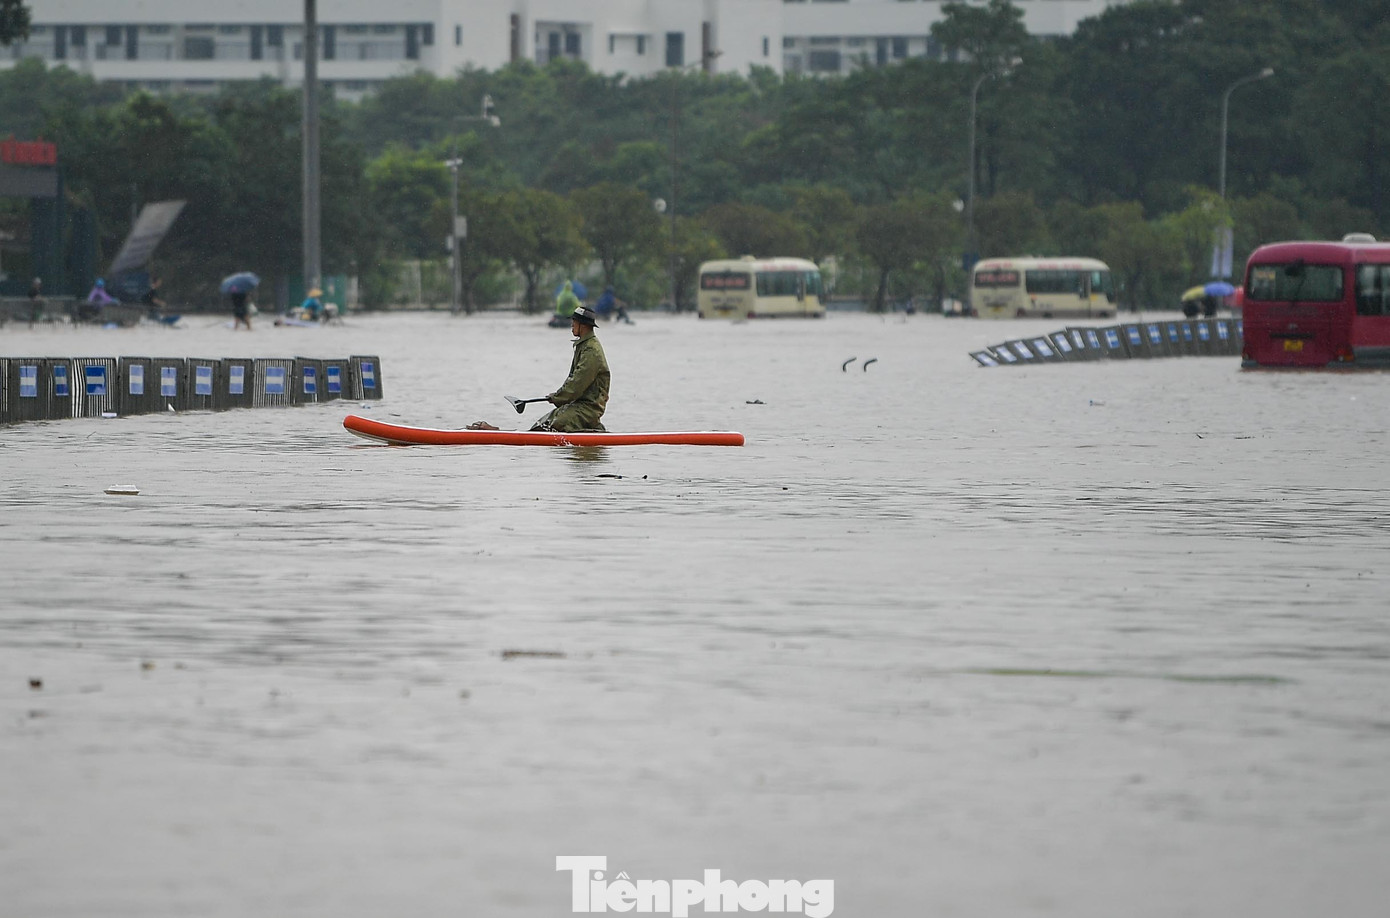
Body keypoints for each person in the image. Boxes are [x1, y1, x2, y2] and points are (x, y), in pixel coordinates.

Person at [469, 304, 610, 432]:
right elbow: (574, 381)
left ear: (583, 326)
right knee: (541, 424)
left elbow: (577, 383)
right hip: (578, 405)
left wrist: (558, 397)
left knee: (556, 424)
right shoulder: (584, 346)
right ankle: (496, 431)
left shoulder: (591, 350)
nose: (571, 324)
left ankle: (592, 430)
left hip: (588, 409)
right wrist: (558, 396)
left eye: (574, 322)